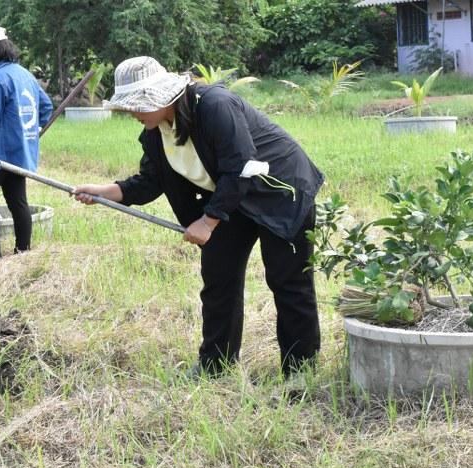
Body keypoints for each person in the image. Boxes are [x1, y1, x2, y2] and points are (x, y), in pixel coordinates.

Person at [73, 57, 323, 379]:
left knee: (287, 280)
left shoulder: (214, 106)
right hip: (230, 197)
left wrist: (208, 222)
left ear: (159, 97)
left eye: (138, 105)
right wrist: (104, 191)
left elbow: (241, 167)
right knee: (219, 279)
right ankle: (215, 365)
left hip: (279, 191)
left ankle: (300, 369)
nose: (133, 113)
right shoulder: (155, 132)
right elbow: (151, 181)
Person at [0, 26, 53, 259]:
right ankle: (22, 251)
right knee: (17, 201)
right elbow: (46, 107)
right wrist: (32, 129)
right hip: (21, 152)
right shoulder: (25, 75)